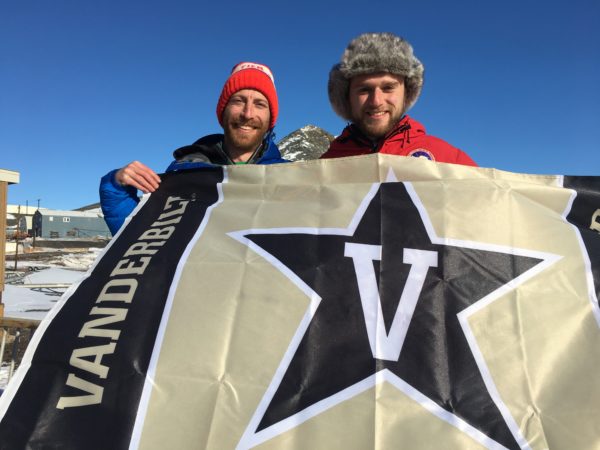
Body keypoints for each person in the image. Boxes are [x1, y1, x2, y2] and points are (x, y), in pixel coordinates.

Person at [100, 62, 287, 235]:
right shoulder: (183, 173)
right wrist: (117, 189)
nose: (248, 113)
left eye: (260, 104)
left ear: (270, 119)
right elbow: (138, 240)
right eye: (238, 101)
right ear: (223, 112)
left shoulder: (290, 180)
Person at [320, 32, 476, 166]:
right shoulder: (324, 168)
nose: (376, 101)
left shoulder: (450, 161)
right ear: (347, 97)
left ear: (406, 93)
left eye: (388, 88)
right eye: (364, 90)